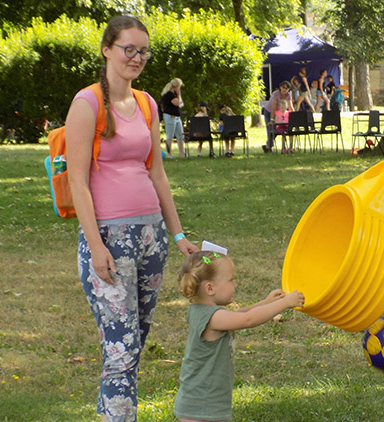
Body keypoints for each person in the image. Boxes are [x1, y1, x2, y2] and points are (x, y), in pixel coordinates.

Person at [63, 15, 198, 421]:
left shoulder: (146, 104)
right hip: (110, 238)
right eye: (128, 49)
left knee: (134, 344)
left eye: (143, 51)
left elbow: (157, 172)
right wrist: (97, 245)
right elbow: (78, 182)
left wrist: (176, 236)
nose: (136, 58)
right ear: (107, 49)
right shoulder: (86, 103)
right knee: (120, 352)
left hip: (151, 237)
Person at [173, 251, 305, 422]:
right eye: (231, 280)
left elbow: (239, 314)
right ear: (210, 288)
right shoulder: (212, 317)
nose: (235, 284)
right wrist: (284, 303)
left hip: (205, 401)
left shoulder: (203, 311)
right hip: (201, 403)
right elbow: (247, 319)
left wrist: (266, 303)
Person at [262, 81, 294, 153]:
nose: (284, 89)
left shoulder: (288, 95)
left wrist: (294, 117)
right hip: (269, 111)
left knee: (277, 130)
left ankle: (267, 146)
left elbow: (290, 107)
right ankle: (269, 147)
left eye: (287, 88)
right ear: (280, 87)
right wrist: (272, 119)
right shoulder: (275, 94)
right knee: (271, 129)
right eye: (283, 87)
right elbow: (273, 108)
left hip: (279, 112)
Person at [161, 78, 185, 158]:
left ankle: (182, 153)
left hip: (177, 117)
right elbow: (177, 103)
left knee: (180, 135)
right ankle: (169, 153)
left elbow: (181, 104)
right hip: (170, 116)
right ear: (176, 86)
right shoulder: (169, 94)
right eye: (179, 87)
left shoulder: (174, 94)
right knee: (170, 136)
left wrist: (178, 95)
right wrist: (178, 95)